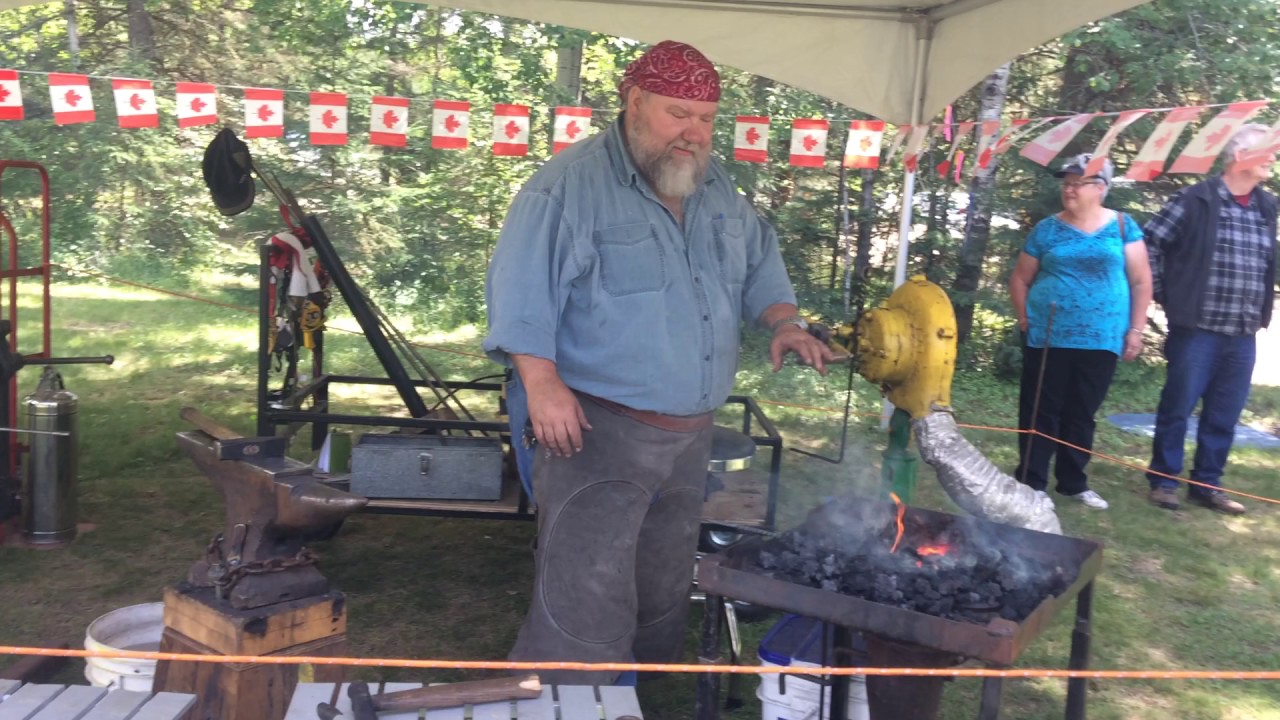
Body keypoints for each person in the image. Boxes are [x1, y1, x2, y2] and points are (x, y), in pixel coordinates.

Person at [482, 40, 833, 684]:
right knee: (586, 580)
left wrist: (783, 322)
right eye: (678, 114)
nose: (693, 134)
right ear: (634, 103)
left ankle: (633, 687)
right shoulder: (565, 187)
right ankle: (570, 692)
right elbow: (521, 291)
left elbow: (758, 258)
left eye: (705, 118)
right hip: (595, 423)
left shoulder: (714, 181)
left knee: (662, 571)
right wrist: (541, 382)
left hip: (687, 430)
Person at [1143, 124, 1277, 516]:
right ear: (1240, 156)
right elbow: (1148, 245)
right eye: (1266, 151)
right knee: (1178, 406)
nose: (1272, 157)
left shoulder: (1267, 206)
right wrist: (1168, 295)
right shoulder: (1193, 199)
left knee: (1225, 414)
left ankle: (1206, 485)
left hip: (1243, 331)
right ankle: (1164, 481)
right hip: (1196, 329)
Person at [1008, 154, 1151, 511]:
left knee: (1082, 410)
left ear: (1100, 188)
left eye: (1077, 183)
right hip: (1049, 333)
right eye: (1066, 183)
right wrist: (1026, 320)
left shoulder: (1122, 226)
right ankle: (1031, 481)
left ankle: (1073, 483)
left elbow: (1140, 279)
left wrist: (1135, 330)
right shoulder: (1047, 229)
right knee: (1041, 408)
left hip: (1102, 337)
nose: (1068, 189)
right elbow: (1021, 278)